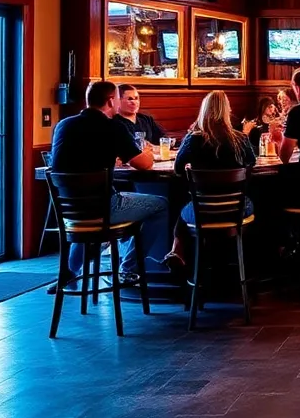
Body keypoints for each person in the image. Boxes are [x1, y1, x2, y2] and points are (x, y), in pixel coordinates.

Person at [48, 80, 169, 290]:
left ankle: (69, 274)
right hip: (104, 207)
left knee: (88, 216)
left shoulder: (64, 125)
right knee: (161, 205)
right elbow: (143, 164)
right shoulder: (112, 127)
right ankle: (129, 268)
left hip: (69, 211)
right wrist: (148, 152)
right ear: (111, 101)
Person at [164, 91, 256, 272]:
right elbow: (251, 164)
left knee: (185, 205)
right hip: (237, 210)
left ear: (203, 111)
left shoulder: (192, 139)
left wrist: (193, 176)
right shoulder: (240, 139)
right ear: (226, 111)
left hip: (202, 211)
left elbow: (177, 169)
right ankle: (251, 263)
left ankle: (178, 252)